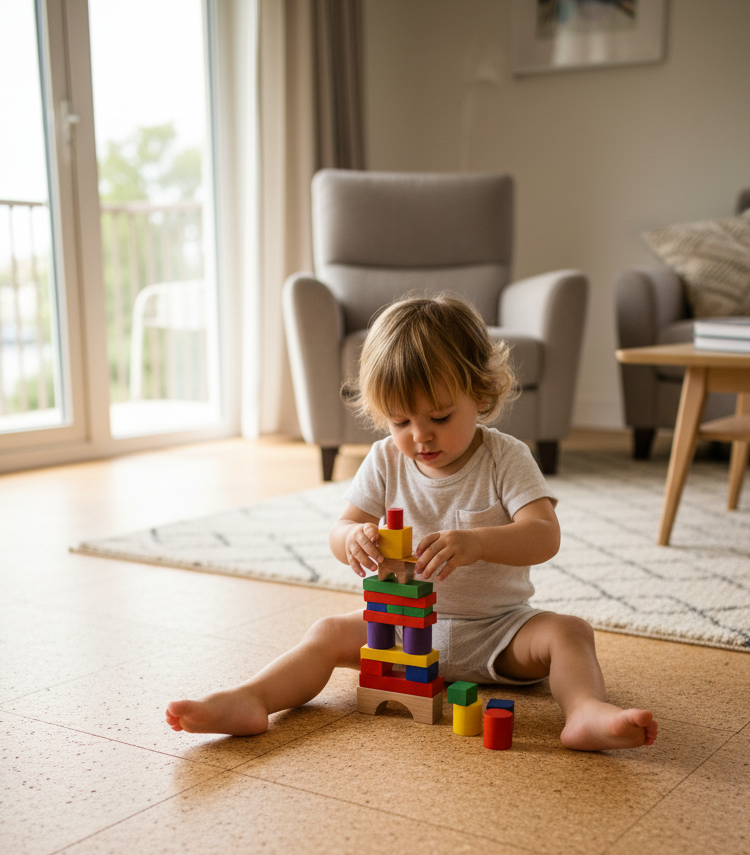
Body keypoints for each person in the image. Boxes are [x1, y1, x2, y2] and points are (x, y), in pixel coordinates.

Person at [166, 294, 657, 750]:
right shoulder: (384, 460)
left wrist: (478, 543)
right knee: (326, 632)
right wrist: (352, 539)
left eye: (440, 416)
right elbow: (340, 528)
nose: (420, 435)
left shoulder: (506, 457)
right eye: (400, 421)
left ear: (480, 395)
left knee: (568, 631)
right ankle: (253, 698)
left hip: (498, 631)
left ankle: (585, 711)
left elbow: (544, 535)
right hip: (399, 632)